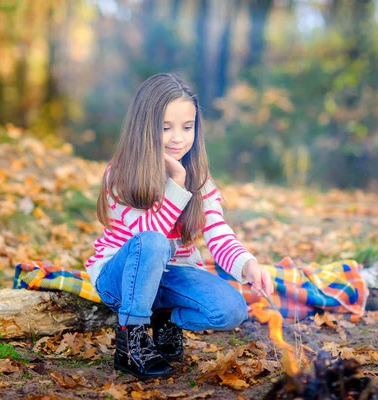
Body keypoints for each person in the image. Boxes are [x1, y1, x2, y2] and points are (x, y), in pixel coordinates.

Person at [85, 73, 274, 380]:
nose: (178, 138)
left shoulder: (199, 177)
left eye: (187, 127)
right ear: (144, 127)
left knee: (231, 309)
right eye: (165, 128)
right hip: (121, 278)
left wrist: (248, 265)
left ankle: (165, 318)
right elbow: (149, 239)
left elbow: (218, 232)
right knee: (154, 243)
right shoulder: (121, 175)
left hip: (170, 276)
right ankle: (131, 341)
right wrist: (176, 185)